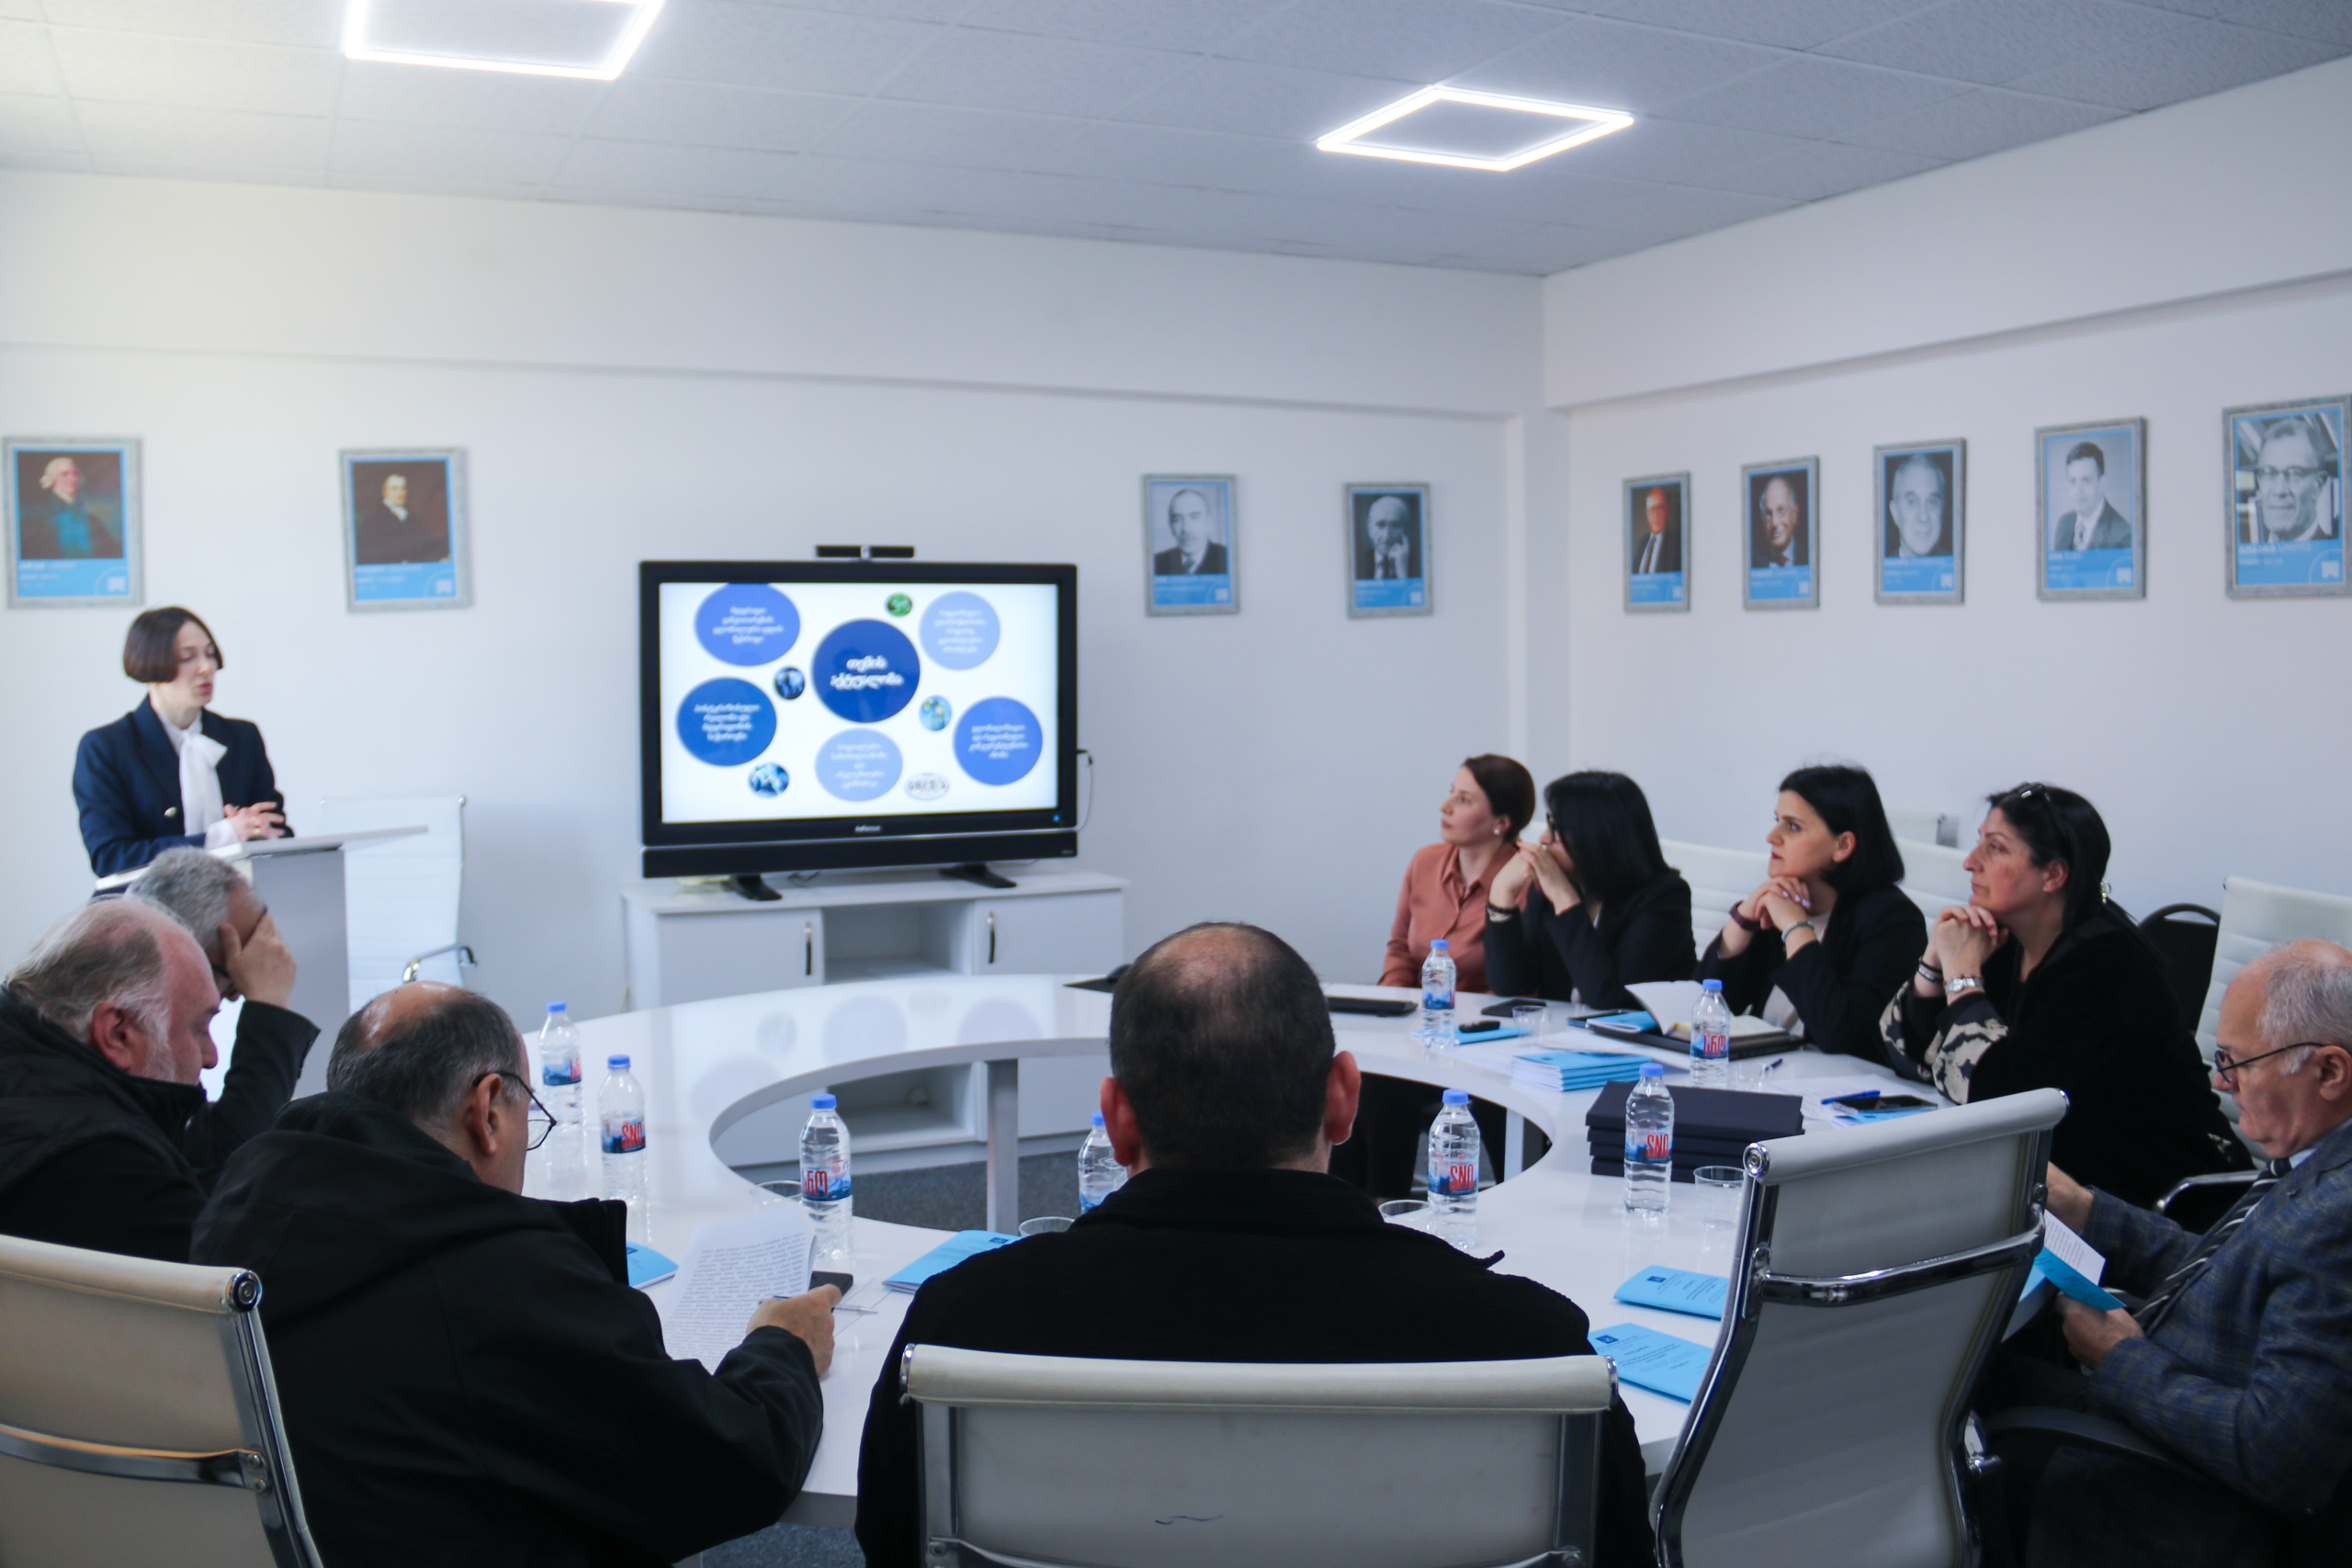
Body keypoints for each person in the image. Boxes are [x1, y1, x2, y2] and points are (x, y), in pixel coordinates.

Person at [854, 924, 1653, 1568]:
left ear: (1117, 1121)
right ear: (1344, 1098)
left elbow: (894, 1541)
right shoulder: (1529, 1344)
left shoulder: (963, 1324)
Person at [191, 983, 840, 1568]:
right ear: (488, 1110)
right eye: (528, 1110)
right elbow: (729, 1468)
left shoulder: (236, 1213)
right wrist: (782, 1344)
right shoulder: (493, 1278)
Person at [2005, 941, 2352, 1568]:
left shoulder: (2339, 1216)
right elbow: (2236, 1273)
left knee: (1956, 1400)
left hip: (2176, 1495)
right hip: (2168, 1401)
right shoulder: (2321, 1155)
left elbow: (2274, 1457)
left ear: (2330, 1071)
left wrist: (2118, 1356)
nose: (2221, 1083)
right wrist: (2086, 1210)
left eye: (2238, 1062)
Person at [1879, 784, 2247, 1206]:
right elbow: (1904, 1053)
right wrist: (1934, 960)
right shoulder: (2005, 940)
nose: (1970, 861)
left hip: (2163, 1197)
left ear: (2054, 874)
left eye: (1994, 848)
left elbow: (2001, 1101)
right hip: (2068, 1180)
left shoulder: (2105, 966)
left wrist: (1962, 975)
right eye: (1978, 843)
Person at [0, 899, 300, 1260]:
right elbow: (232, 1282)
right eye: (200, 1028)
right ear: (118, 1033)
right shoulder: (113, 1174)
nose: (211, 1057)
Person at [1700, 763, 1925, 1063]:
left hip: (1837, 1084)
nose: (1771, 836)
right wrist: (1743, 920)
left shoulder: (1892, 920)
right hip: (1768, 1074)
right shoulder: (1780, 903)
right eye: (1777, 821)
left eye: (1793, 826)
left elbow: (1840, 1034)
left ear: (1842, 845)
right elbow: (1702, 1012)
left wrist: (1795, 928)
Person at [73, 606, 287, 879]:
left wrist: (254, 830)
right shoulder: (106, 747)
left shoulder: (242, 737)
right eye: (187, 657)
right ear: (149, 663)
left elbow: (278, 831)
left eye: (210, 654)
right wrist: (218, 838)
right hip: (148, 903)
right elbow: (111, 857)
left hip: (237, 897)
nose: (206, 668)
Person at [1483, 770, 1693, 1009]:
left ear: (1597, 835)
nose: (1544, 838)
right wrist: (1500, 892)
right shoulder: (1551, 891)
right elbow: (1510, 986)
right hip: (1561, 1028)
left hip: (1639, 1031)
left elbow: (1609, 997)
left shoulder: (1664, 897)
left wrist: (1563, 897)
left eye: (1556, 828)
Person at [127, 847, 318, 1096]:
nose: (235, 996)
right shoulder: (133, 1042)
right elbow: (239, 1123)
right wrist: (269, 1005)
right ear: (181, 954)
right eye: (233, 979)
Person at [1377, 754, 1537, 997]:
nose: (1444, 807)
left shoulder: (1527, 882)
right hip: (1420, 1010)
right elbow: (1400, 949)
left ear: (1502, 822)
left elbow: (1522, 981)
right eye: (1451, 792)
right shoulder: (1425, 861)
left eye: (1464, 800)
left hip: (1485, 1015)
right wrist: (1392, 1000)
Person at [2244, 414, 2340, 544]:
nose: (2279, 490)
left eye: (2295, 474)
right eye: (2268, 473)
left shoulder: (2336, 551)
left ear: (2318, 485)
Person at [17, 455, 123, 559]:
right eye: (64, 474)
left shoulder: (91, 519)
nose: (72, 478)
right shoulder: (38, 517)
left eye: (75, 473)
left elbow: (111, 551)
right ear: (52, 479)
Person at [353, 469, 451, 565]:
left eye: (403, 488)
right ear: (384, 492)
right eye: (394, 489)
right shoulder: (375, 518)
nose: (399, 493)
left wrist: (445, 554)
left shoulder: (409, 515)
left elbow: (427, 541)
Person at [2053, 441, 2130, 552]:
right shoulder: (2064, 523)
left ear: (2101, 483)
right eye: (2072, 481)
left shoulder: (2123, 535)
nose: (2077, 491)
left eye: (2086, 480)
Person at [1884, 452, 1952, 558]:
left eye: (1932, 502)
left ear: (1943, 509)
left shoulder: (1961, 565)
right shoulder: (1878, 567)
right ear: (1895, 513)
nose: (1923, 517)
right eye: (1912, 502)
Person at [1152, 487, 1227, 575]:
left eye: (1194, 517)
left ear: (1209, 522)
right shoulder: (1157, 563)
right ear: (1171, 526)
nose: (1185, 528)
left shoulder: (1227, 559)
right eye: (1177, 519)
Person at [1355, 493, 1420, 580]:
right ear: (1369, 528)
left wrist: (1403, 573)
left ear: (1406, 529)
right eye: (1380, 525)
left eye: (1395, 525)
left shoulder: (1419, 563)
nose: (1387, 535)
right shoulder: (1357, 562)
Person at [1753, 472, 1806, 569]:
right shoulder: (1754, 562)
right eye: (1768, 513)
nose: (1774, 522)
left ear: (1794, 513)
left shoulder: (1809, 556)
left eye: (1781, 511)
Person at [1633, 484, 1680, 574]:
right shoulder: (1643, 542)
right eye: (1652, 509)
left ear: (1667, 511)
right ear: (1647, 513)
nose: (1655, 515)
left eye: (1659, 508)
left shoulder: (1676, 542)